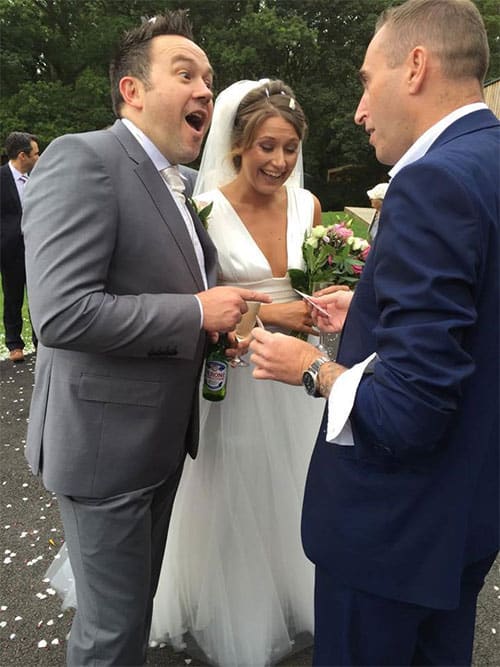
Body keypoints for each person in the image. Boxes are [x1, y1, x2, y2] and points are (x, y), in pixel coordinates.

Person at [249, 1, 499, 665]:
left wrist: (312, 367)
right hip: (465, 517)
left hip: (392, 533)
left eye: (364, 79)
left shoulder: (431, 182)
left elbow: (410, 410)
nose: (359, 109)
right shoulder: (489, 161)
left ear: (415, 66)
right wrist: (370, 307)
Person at [21, 11, 270, 667]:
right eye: (184, 74)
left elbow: (172, 283)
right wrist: (196, 311)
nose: (205, 91)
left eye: (210, 79)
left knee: (130, 621)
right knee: (109, 636)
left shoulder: (182, 183)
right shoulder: (85, 158)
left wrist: (220, 329)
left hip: (157, 445)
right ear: (132, 91)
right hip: (103, 450)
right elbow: (62, 314)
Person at [0, 131, 39, 362]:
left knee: (38, 295)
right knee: (12, 296)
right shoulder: (1, 178)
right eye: (35, 153)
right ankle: (15, 344)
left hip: (36, 247)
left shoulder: (39, 177)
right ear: (22, 155)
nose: (39, 157)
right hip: (10, 249)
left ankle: (40, 340)